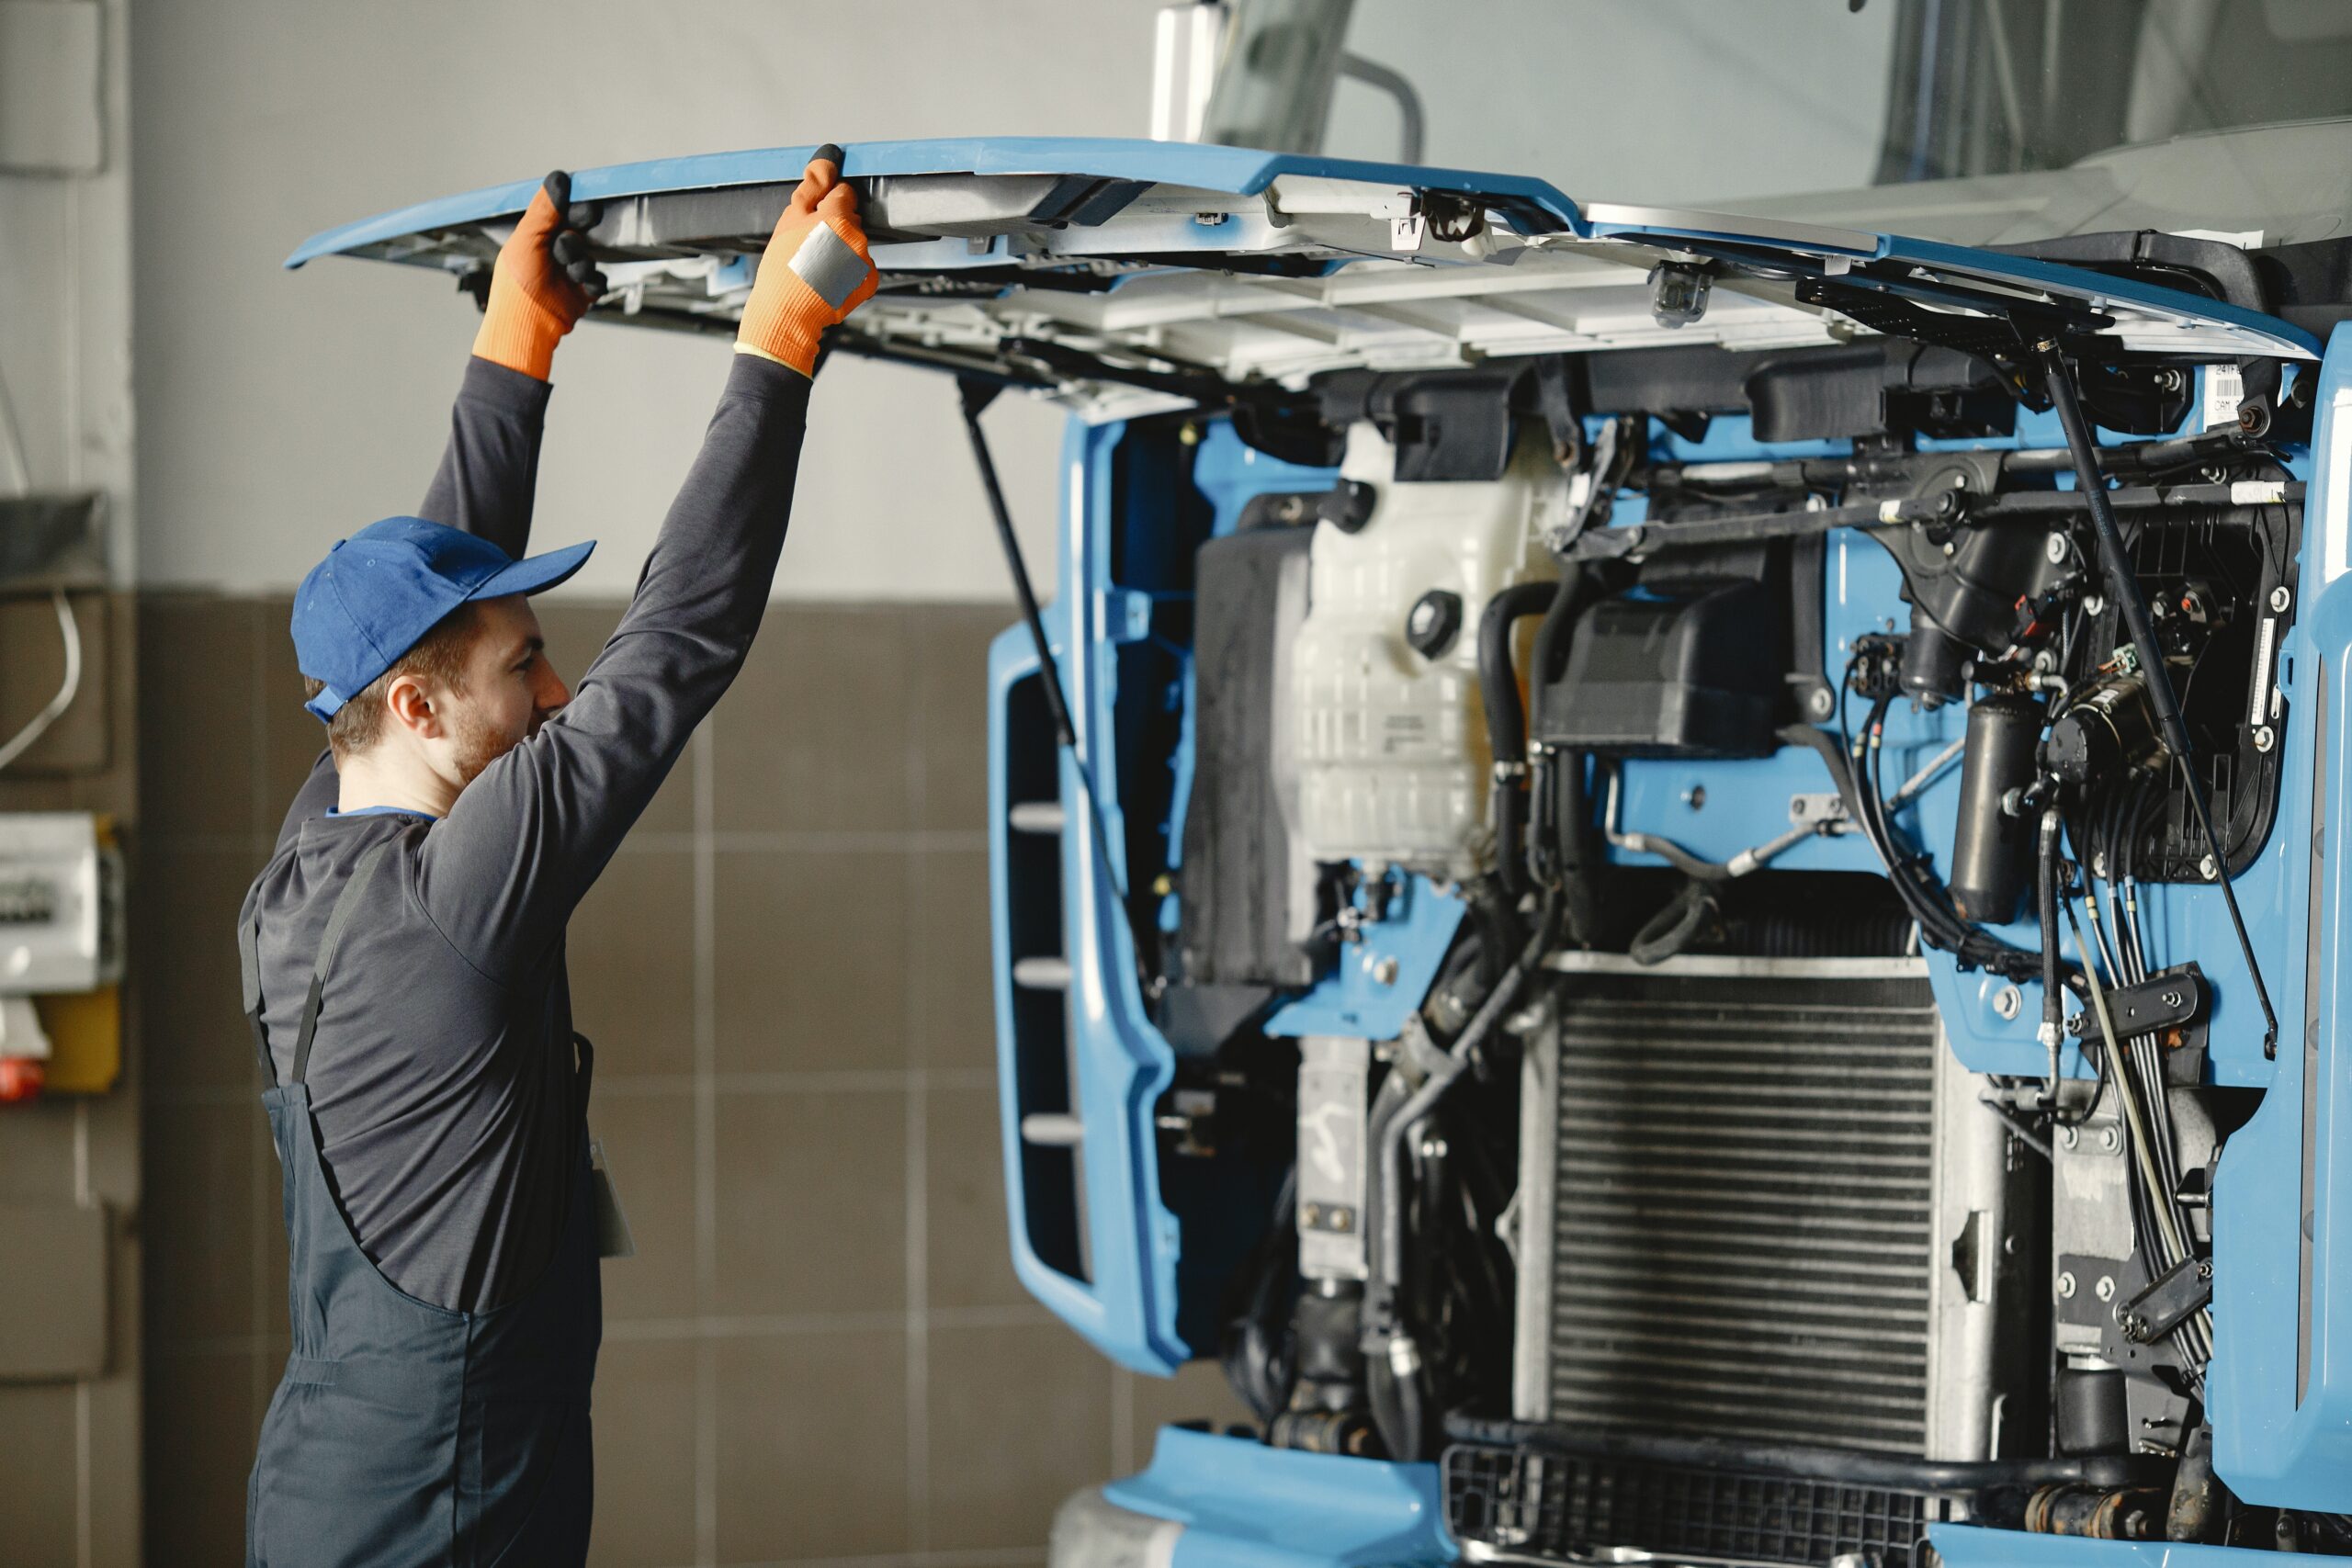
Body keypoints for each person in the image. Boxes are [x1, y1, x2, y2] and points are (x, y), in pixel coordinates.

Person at [238, 147, 876, 1567]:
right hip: (441, 1517)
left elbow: (434, 600)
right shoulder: (455, 896)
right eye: (530, 667)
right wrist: (778, 345)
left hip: (329, 1479)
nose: (557, 693)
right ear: (414, 711)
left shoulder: (311, 853)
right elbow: (678, 645)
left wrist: (513, 353)